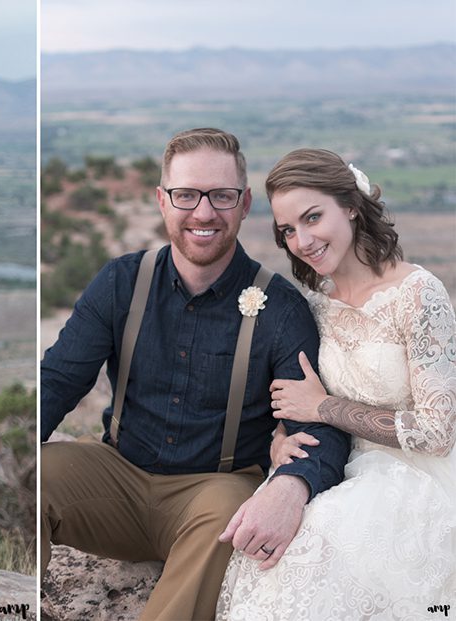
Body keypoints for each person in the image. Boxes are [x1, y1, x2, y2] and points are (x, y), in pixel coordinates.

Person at [39, 128, 352, 620]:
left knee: (228, 515)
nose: (203, 213)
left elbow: (319, 427)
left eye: (221, 196)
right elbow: (57, 382)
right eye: (186, 195)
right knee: (36, 472)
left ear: (245, 203)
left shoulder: (281, 309)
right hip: (116, 479)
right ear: (162, 201)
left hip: (216, 491)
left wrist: (292, 486)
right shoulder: (122, 281)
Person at [217, 149, 456, 618]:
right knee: (275, 559)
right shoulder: (316, 304)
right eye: (288, 230)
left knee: (322, 551)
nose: (302, 241)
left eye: (312, 217)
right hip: (342, 468)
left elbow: (439, 430)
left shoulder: (417, 293)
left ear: (350, 205)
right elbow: (292, 397)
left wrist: (324, 408)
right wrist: (279, 440)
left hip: (419, 478)